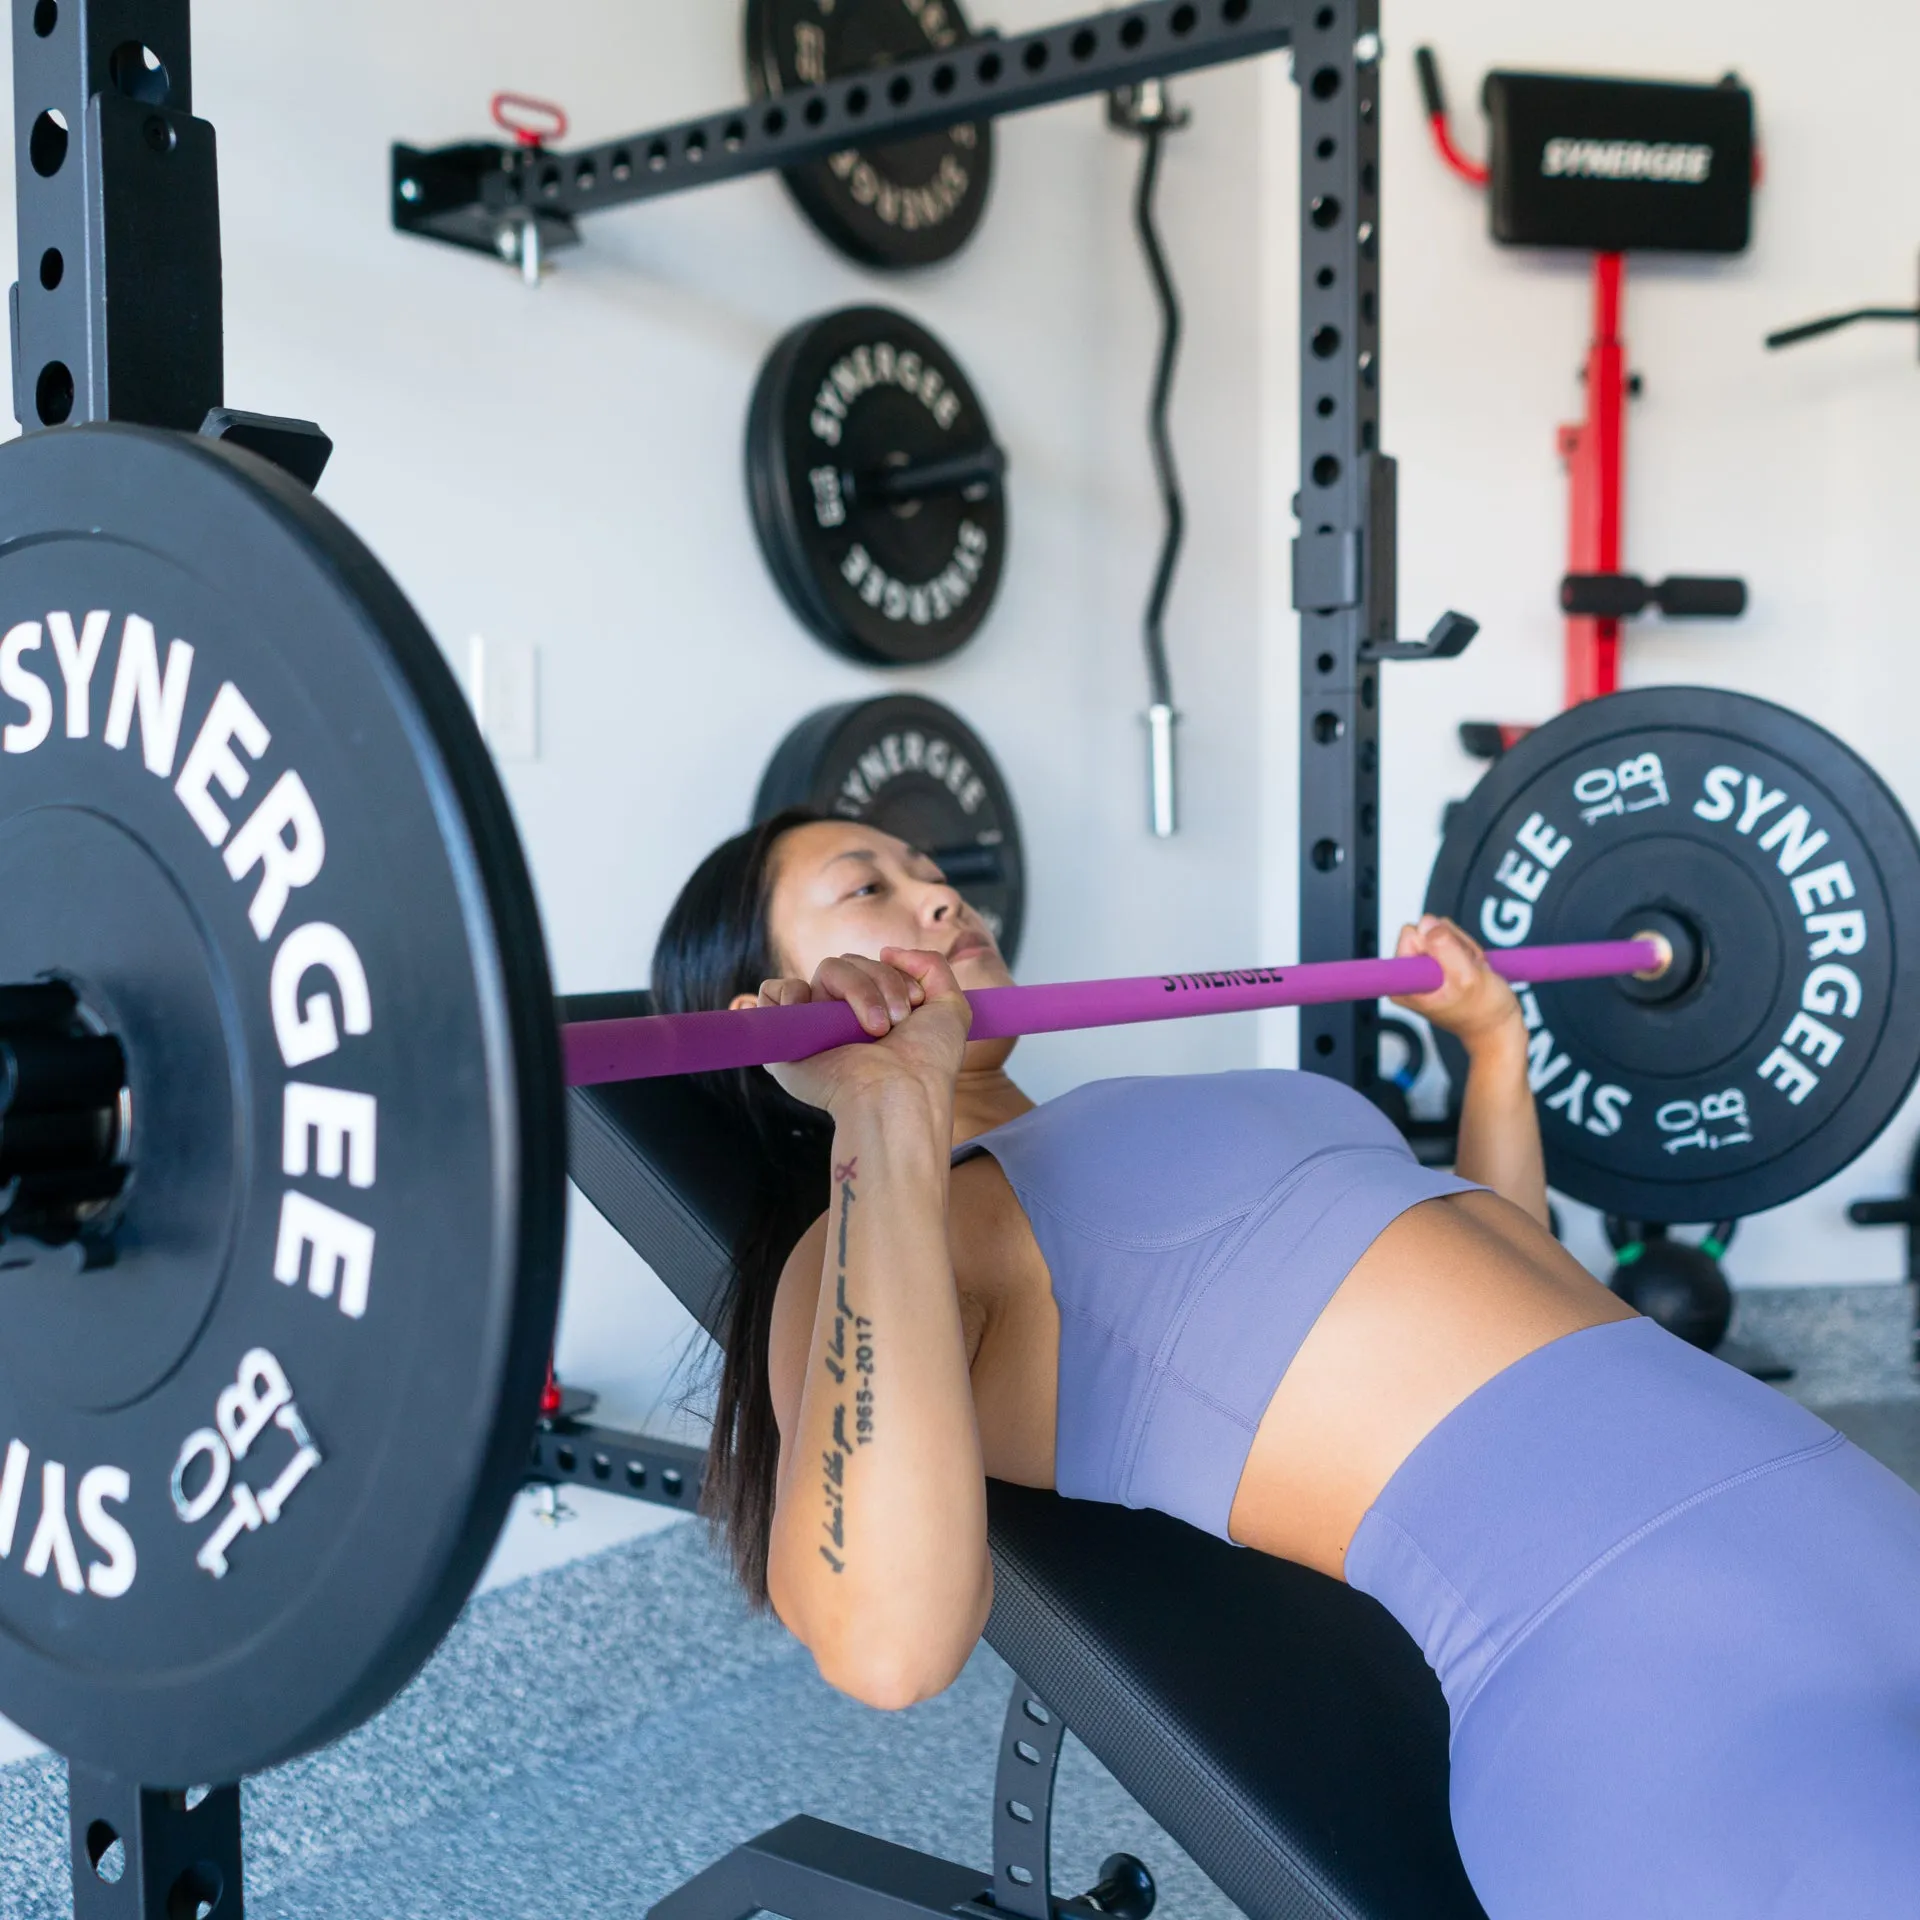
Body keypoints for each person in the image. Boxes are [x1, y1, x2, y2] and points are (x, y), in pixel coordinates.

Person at [652, 808, 1920, 1918]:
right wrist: (881, 1107)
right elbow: (884, 1644)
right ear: (762, 1013)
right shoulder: (886, 1233)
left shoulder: (1163, 1099)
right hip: (1655, 1683)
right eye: (869, 888)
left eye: (928, 866)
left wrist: (1496, 1050)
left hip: (1852, 1520)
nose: (941, 893)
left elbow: (1523, 1296)